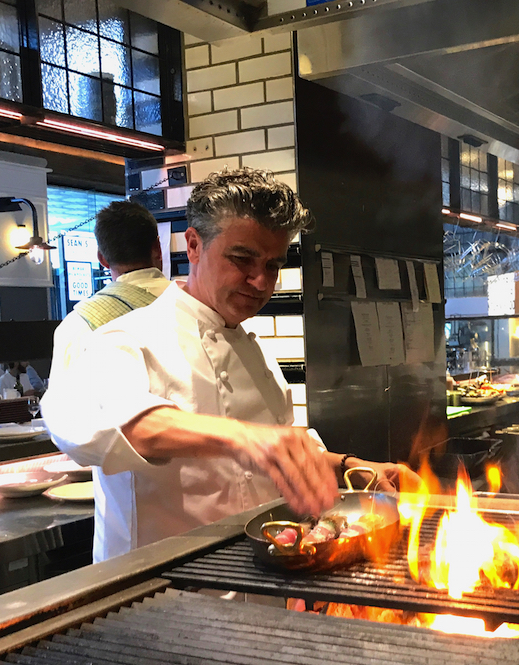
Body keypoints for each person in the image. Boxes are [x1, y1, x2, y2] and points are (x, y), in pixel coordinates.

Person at [42, 168, 417, 562]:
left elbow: (280, 455)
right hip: (161, 600)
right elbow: (91, 425)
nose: (260, 282)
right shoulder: (124, 340)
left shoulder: (257, 355)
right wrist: (242, 437)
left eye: (273, 265)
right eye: (242, 259)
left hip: (258, 590)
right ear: (193, 246)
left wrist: (352, 466)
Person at [50, 200, 171, 377]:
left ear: (102, 259)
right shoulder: (193, 305)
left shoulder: (77, 324)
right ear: (158, 248)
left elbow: (61, 403)